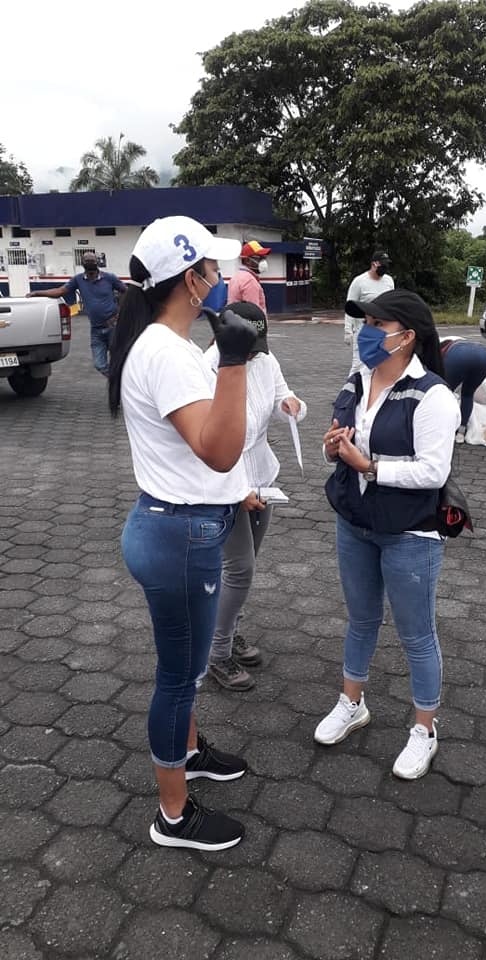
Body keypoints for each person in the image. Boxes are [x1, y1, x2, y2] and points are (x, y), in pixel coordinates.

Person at [108, 215, 258, 851]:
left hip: (177, 527)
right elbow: (217, 451)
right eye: (213, 268)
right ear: (191, 281)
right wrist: (236, 360)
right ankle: (173, 816)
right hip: (180, 536)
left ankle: (190, 752)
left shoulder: (163, 343)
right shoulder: (166, 353)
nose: (222, 277)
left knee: (185, 670)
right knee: (180, 677)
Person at [316, 289, 460, 780]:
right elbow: (337, 445)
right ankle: (352, 703)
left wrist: (370, 466)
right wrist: (333, 448)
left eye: (378, 325)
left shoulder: (433, 395)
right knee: (361, 619)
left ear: (407, 336)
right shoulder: (358, 378)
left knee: (417, 635)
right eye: (366, 323)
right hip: (354, 522)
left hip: (410, 533)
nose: (367, 332)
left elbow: (433, 472)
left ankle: (425, 728)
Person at [204, 301, 307, 691]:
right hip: (223, 481)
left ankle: (228, 632)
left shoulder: (264, 359)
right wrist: (237, 490)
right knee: (239, 568)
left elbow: (283, 396)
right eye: (246, 348)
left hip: (262, 475)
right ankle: (216, 653)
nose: (253, 356)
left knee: (242, 570)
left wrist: (291, 406)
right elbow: (207, 441)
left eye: (256, 348)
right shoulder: (205, 368)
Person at [27, 252, 126, 376]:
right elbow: (60, 291)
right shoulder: (78, 280)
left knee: (118, 359)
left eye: (92, 261)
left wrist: (121, 312)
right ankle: (117, 380)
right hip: (96, 329)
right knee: (99, 364)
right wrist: (37, 293)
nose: (90, 263)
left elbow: (126, 291)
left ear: (97, 262)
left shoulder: (109, 278)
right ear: (83, 264)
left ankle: (120, 383)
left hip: (113, 327)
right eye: (87, 261)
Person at [344, 250, 394, 375]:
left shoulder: (389, 281)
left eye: (386, 264)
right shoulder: (359, 281)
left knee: (380, 364)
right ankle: (351, 386)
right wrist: (348, 330)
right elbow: (349, 305)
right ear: (374, 264)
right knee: (359, 365)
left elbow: (392, 304)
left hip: (383, 329)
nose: (385, 267)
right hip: (363, 328)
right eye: (382, 264)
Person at [440, 337, 486, 443]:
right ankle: (461, 432)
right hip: (485, 355)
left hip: (458, 355)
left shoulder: (438, 351)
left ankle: (444, 428)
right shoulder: (448, 342)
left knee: (444, 393)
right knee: (468, 394)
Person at [227, 240, 271, 315]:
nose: (263, 262)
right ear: (247, 260)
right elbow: (253, 313)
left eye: (264, 258)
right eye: (260, 258)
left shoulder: (236, 277)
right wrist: (259, 323)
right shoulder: (250, 281)